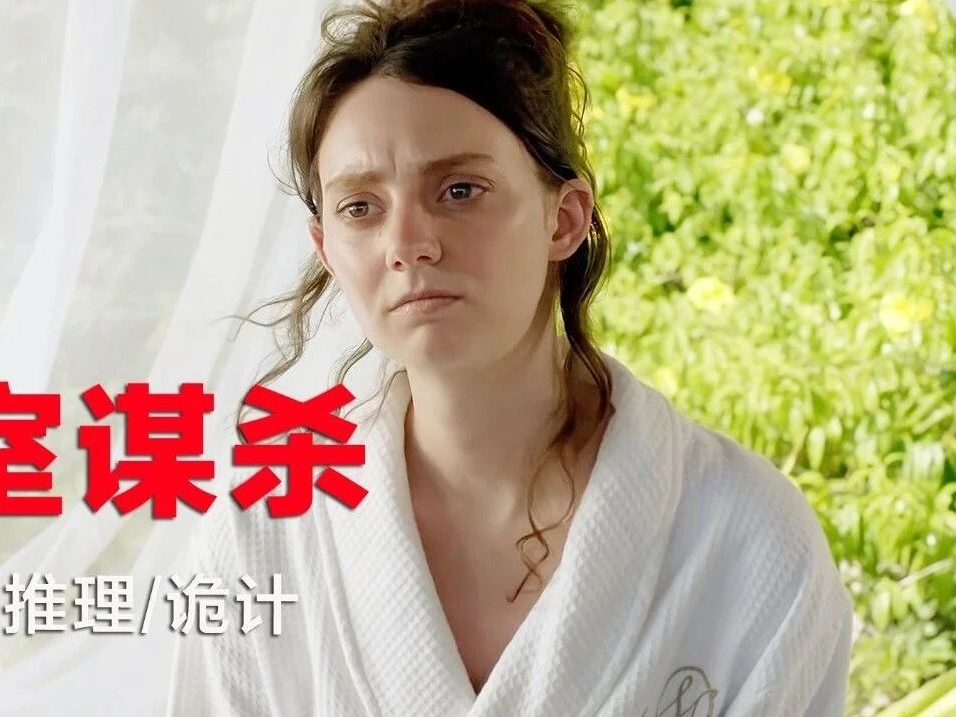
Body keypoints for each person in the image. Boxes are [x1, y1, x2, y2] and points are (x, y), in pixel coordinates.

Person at [166, 0, 854, 714]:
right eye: (360, 208)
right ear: (326, 250)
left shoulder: (747, 536)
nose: (408, 243)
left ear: (564, 218)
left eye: (459, 191)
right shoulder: (262, 532)